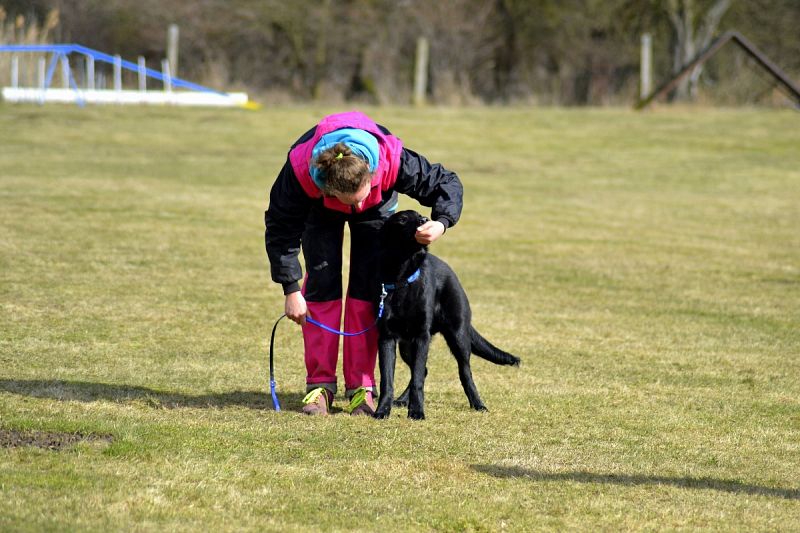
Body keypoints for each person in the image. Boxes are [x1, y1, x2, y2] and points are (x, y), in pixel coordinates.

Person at [264, 111, 463, 416]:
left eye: (360, 196)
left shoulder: (393, 160)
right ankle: (320, 386)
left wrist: (442, 222)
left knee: (369, 290)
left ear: (372, 173)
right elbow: (280, 227)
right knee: (321, 287)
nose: (356, 206)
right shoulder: (301, 172)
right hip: (320, 211)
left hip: (378, 208)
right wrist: (291, 288)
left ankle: (362, 387)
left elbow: (445, 182)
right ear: (328, 188)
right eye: (349, 201)